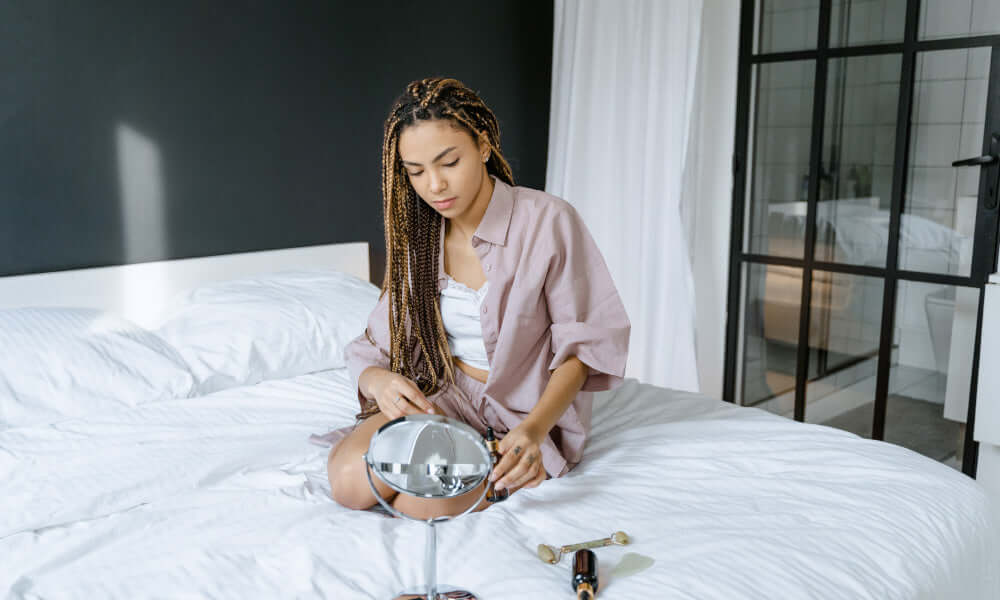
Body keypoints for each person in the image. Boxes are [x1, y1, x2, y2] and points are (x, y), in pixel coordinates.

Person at [319, 77, 630, 519]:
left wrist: (535, 430)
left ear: (482, 146)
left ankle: (507, 467)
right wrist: (378, 382)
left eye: (449, 162)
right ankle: (458, 455)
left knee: (420, 502)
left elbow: (583, 347)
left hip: (526, 411)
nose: (435, 186)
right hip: (442, 395)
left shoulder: (548, 221)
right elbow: (374, 345)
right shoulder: (419, 238)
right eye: (416, 171)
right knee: (352, 483)